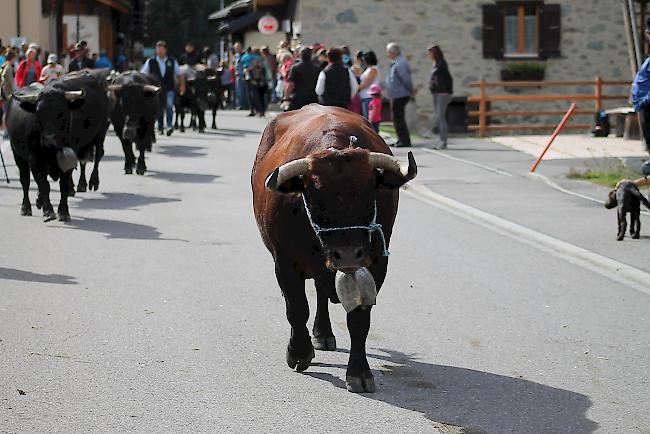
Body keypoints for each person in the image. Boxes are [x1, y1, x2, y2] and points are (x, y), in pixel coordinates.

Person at [141, 40, 185, 136]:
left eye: (161, 49)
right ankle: (160, 127)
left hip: (169, 87)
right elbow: (143, 74)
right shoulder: (151, 61)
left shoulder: (172, 61)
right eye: (158, 49)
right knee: (159, 108)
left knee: (169, 106)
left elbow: (179, 74)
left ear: (165, 50)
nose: (159, 51)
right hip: (155, 88)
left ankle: (169, 125)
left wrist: (182, 86)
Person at [385, 42, 414, 147]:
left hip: (400, 94)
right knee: (397, 118)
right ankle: (400, 139)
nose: (388, 54)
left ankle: (404, 141)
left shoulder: (400, 63)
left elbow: (406, 79)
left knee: (398, 118)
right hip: (396, 94)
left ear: (393, 52)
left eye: (388, 52)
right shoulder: (397, 62)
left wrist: (411, 90)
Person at [428, 44, 453, 150]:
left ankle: (444, 141)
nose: (429, 55)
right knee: (438, 117)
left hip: (442, 93)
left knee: (440, 117)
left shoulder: (442, 64)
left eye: (430, 52)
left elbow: (448, 79)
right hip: (436, 93)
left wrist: (448, 92)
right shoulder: (435, 64)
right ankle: (441, 140)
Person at [285, 47, 320, 111]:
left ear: (300, 55)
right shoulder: (317, 68)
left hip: (298, 98)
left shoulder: (295, 68)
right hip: (313, 98)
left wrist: (286, 98)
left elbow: (290, 85)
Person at [357, 50, 380, 119]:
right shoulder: (368, 69)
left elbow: (367, 83)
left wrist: (355, 88)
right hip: (364, 97)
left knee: (369, 120)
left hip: (369, 97)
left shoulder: (373, 69)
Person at [1, 49, 17, 138]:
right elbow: (11, 82)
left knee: (5, 112)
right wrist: (15, 92)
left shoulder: (4, 66)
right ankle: (7, 132)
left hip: (3, 93)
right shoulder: (9, 68)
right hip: (8, 94)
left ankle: (5, 131)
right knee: (7, 113)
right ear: (13, 58)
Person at [233, 42, 249, 110]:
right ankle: (240, 105)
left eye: (238, 47)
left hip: (243, 75)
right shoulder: (236, 55)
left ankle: (245, 105)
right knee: (239, 92)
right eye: (236, 48)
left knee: (244, 92)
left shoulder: (244, 54)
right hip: (237, 75)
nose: (237, 49)